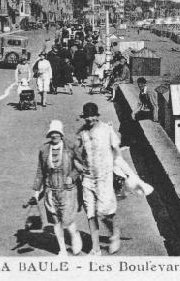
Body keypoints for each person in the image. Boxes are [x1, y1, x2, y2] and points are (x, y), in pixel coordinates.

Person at [75, 103, 122, 255]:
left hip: (104, 177)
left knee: (105, 212)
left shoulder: (106, 130)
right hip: (87, 178)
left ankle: (114, 233)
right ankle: (95, 249)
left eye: (92, 116)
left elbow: (117, 150)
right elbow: (77, 155)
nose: (90, 119)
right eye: (87, 116)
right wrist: (78, 165)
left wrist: (118, 170)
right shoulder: (81, 133)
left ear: (97, 116)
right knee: (90, 212)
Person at [32, 120, 83, 257]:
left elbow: (81, 166)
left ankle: (74, 236)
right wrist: (37, 189)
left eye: (57, 133)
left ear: (61, 134)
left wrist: (72, 176)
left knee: (68, 220)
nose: (55, 135)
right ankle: (62, 250)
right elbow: (40, 171)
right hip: (50, 190)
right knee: (56, 221)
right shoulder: (43, 150)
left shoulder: (70, 147)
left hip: (67, 190)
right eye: (52, 133)